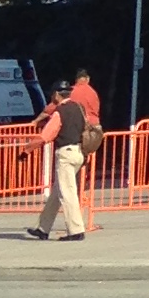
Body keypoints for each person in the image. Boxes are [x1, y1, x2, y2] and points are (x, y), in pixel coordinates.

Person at [26, 83, 92, 242]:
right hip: (79, 152)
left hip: (65, 154)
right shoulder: (79, 108)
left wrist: (27, 150)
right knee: (57, 192)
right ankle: (43, 228)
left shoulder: (59, 112)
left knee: (67, 193)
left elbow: (46, 136)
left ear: (56, 94)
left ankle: (76, 230)